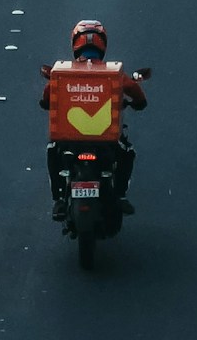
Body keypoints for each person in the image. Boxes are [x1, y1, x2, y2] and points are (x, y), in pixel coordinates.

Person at [41, 19, 148, 217]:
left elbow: (47, 95)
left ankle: (58, 199)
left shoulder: (63, 74)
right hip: (106, 142)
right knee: (127, 153)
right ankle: (121, 195)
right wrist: (139, 102)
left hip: (68, 142)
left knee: (52, 151)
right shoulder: (113, 74)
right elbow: (135, 92)